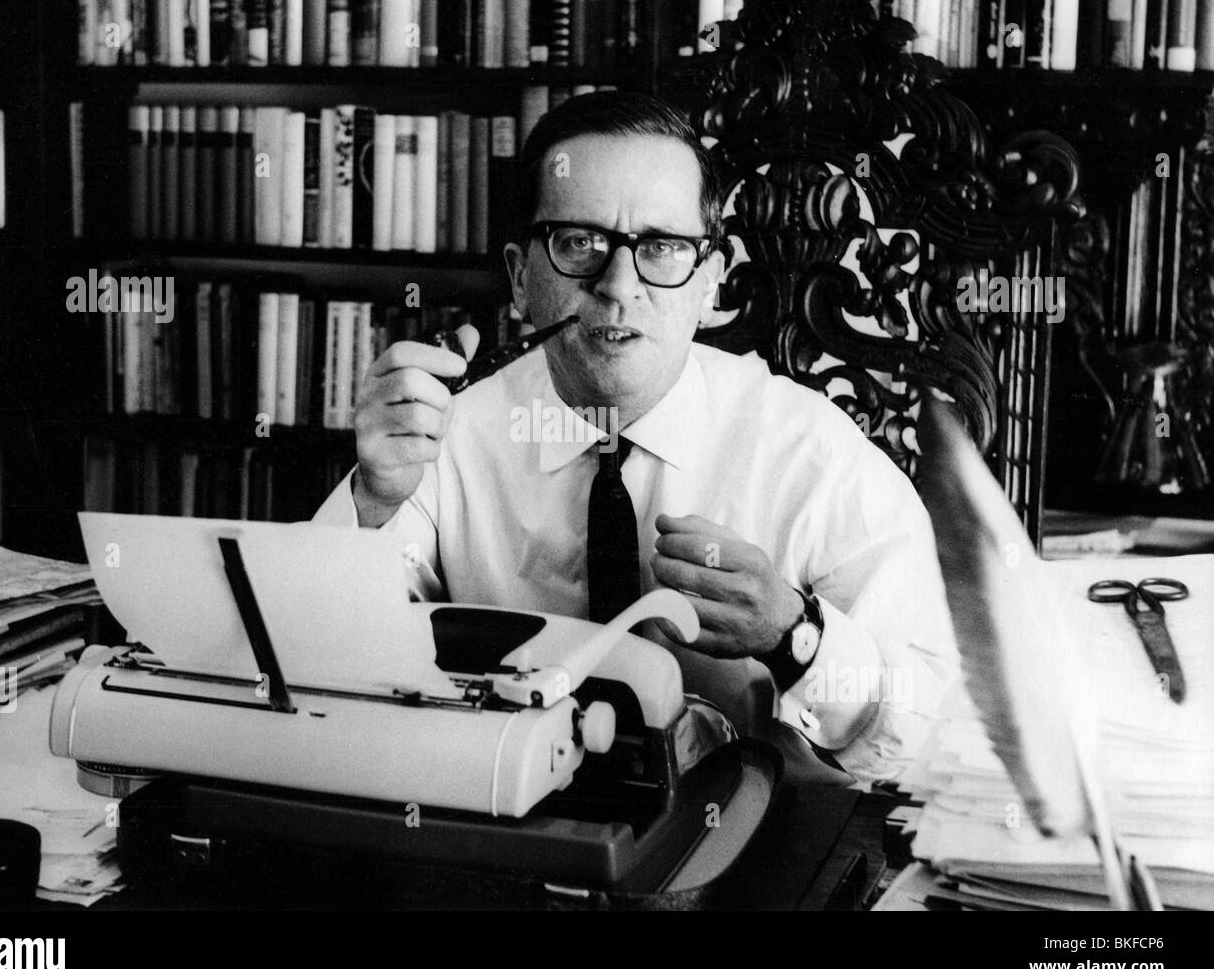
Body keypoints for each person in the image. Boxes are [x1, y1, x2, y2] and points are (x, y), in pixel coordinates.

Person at [314, 91, 957, 783]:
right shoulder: (445, 439)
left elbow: (928, 730)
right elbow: (322, 675)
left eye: (660, 248)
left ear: (709, 283)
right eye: (580, 244)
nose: (619, 286)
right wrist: (376, 501)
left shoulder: (813, 453)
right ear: (519, 279)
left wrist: (793, 635)